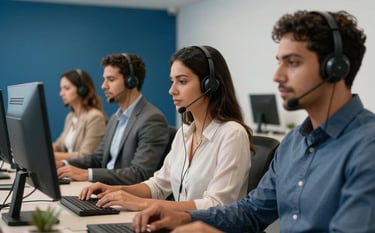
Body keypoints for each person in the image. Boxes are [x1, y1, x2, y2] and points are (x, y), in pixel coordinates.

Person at [132, 10, 375, 233]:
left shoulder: (367, 146)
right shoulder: (293, 143)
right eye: (279, 62)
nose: (277, 76)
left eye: (292, 62)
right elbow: (252, 212)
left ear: (335, 67)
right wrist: (184, 217)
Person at [79, 45, 254, 212]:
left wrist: (142, 204)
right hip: (180, 225)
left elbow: (217, 205)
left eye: (182, 81)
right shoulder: (184, 133)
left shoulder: (232, 134)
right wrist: (113, 190)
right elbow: (159, 184)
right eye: (172, 81)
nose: (172, 90)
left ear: (210, 85)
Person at [56, 53, 170, 185]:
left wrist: (88, 174)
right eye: (104, 79)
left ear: (131, 81)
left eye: (111, 79)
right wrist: (63, 164)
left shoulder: (152, 119)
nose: (103, 86)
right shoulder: (115, 118)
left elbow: (139, 173)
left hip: (125, 196)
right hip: (104, 188)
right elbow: (97, 158)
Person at [53, 69, 106, 161]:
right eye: (61, 89)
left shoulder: (95, 117)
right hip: (68, 169)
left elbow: (86, 155)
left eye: (67, 88)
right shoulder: (71, 117)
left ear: (82, 90)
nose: (61, 93)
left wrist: (52, 156)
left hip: (81, 171)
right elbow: (59, 145)